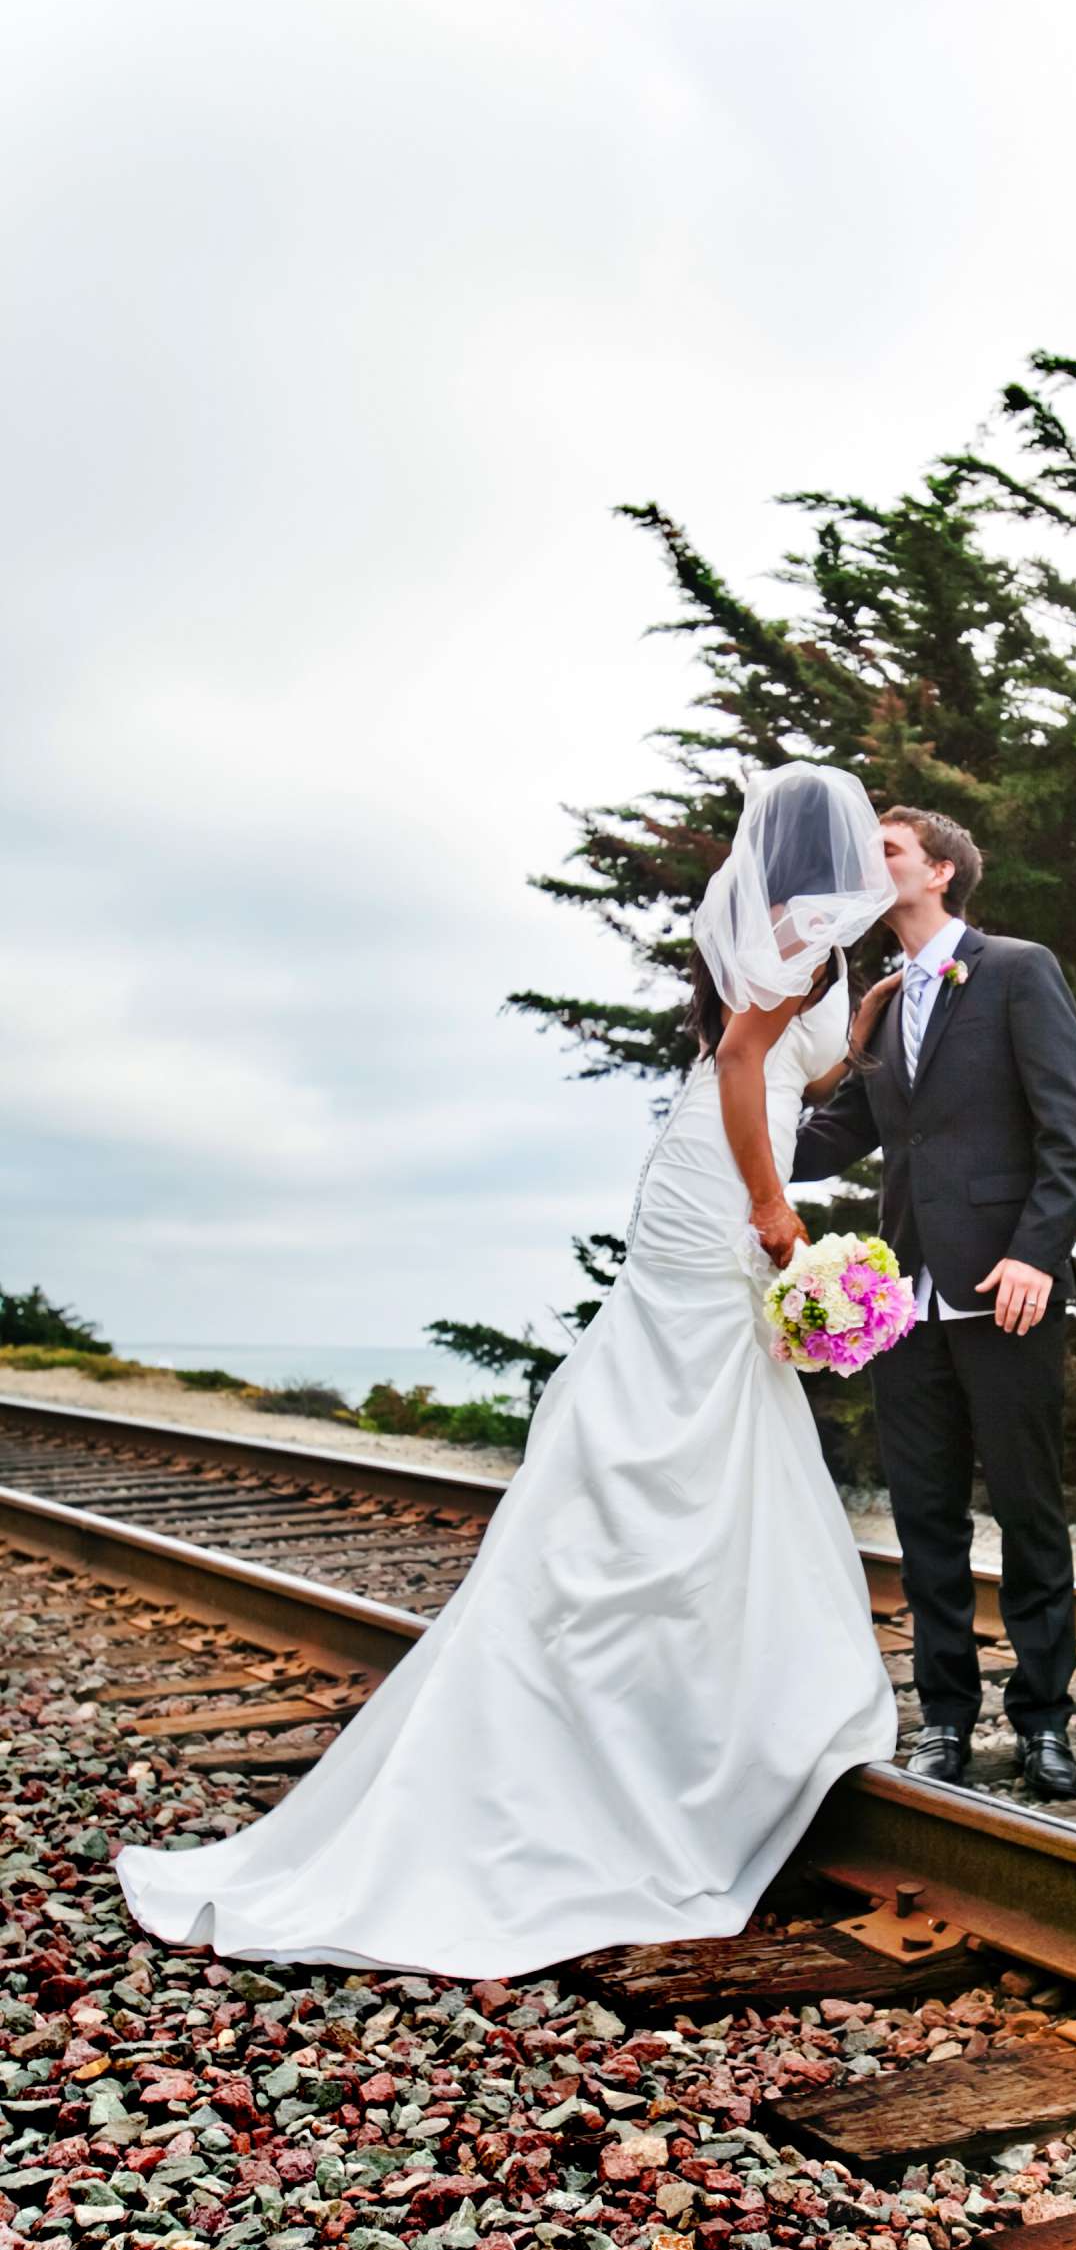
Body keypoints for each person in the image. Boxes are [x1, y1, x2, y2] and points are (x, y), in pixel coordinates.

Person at [113, 761, 900, 1978]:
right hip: (721, 1184)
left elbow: (787, 1068)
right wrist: (771, 1209)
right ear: (822, 849)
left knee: (702, 1409)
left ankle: (695, 1676)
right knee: (688, 1399)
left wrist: (848, 1038)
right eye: (855, 835)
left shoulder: (804, 941)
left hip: (709, 1167)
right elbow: (744, 1071)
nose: (868, 855)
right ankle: (674, 1695)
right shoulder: (805, 928)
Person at [790, 806, 1076, 1797]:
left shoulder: (1015, 969)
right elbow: (839, 1134)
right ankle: (944, 1726)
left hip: (1004, 1294)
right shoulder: (877, 1003)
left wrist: (1036, 1255)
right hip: (899, 1306)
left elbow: (1067, 1126)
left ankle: (1045, 1725)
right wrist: (730, 1122)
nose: (867, 863)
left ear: (939, 871)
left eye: (884, 850)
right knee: (925, 1524)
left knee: (1027, 1514)